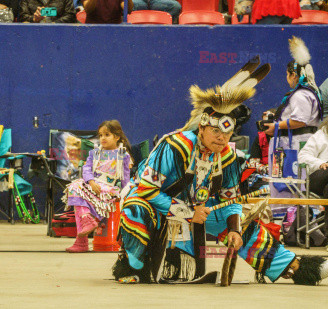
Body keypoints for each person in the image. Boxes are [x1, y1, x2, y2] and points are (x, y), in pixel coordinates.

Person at [112, 58, 328, 285]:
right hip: (154, 203)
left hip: (196, 207)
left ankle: (297, 268)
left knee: (242, 226)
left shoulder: (226, 156)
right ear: (202, 128)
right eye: (215, 131)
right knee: (135, 208)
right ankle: (134, 266)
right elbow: (146, 189)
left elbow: (230, 199)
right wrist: (185, 211)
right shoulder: (175, 146)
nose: (221, 138)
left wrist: (234, 228)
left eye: (226, 134)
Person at [264, 36, 322, 216]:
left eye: (287, 74)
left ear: (294, 75)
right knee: (295, 180)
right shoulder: (309, 92)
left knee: (291, 180)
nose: (286, 78)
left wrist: (276, 126)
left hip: (293, 146)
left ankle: (292, 219)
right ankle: (295, 219)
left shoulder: (301, 95)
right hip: (297, 143)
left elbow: (300, 120)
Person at [64, 120, 131, 253]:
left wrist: (125, 196)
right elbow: (87, 169)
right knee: (74, 187)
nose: (102, 138)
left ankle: (81, 241)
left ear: (117, 137)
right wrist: (91, 182)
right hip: (93, 186)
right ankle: (86, 221)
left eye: (107, 135)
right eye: (100, 135)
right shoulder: (94, 153)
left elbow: (125, 177)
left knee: (79, 198)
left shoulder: (123, 155)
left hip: (108, 190)